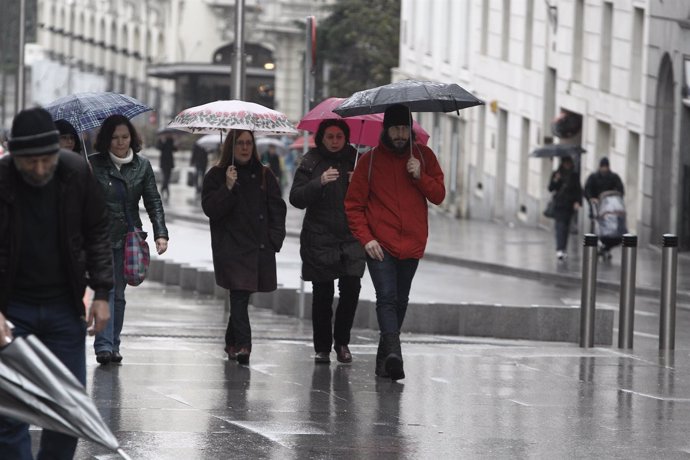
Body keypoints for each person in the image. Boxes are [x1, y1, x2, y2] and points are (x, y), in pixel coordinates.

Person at [0, 107, 113, 458]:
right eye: (28, 162)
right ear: (13, 154)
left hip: (64, 307)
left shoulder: (76, 172)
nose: (38, 169)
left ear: (57, 152)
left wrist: (102, 293)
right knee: (9, 415)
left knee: (67, 411)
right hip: (12, 308)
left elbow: (97, 232)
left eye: (45, 161)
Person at [344, 104, 445, 381]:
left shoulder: (424, 157)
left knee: (400, 300)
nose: (400, 135)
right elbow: (353, 206)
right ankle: (395, 355)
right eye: (395, 129)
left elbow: (438, 195)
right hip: (380, 244)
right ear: (385, 130)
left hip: (411, 243)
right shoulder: (370, 161)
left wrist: (420, 176)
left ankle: (385, 358)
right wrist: (366, 239)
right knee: (386, 298)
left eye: (404, 129)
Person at [89, 114, 169, 365]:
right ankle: (103, 345)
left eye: (124, 137)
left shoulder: (142, 166)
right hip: (101, 236)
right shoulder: (93, 164)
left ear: (132, 138)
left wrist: (161, 233)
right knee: (108, 290)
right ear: (106, 140)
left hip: (128, 237)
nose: (120, 143)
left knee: (120, 295)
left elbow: (153, 200)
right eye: (114, 138)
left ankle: (113, 343)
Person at [202, 129, 286, 365]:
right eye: (240, 143)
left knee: (241, 296)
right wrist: (227, 187)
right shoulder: (217, 175)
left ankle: (231, 342)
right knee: (239, 295)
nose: (245, 148)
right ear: (231, 146)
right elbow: (211, 210)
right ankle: (244, 345)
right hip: (230, 247)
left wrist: (274, 240)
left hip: (258, 246)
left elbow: (277, 209)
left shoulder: (264, 174)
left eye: (249, 143)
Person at [289, 119, 366, 364]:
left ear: (346, 138)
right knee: (323, 293)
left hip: (351, 236)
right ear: (321, 138)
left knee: (351, 289)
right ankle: (322, 347)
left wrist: (360, 184)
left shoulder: (357, 161)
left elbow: (372, 199)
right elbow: (296, 198)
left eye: (339, 137)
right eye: (330, 137)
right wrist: (319, 182)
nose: (334, 142)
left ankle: (342, 342)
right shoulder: (311, 161)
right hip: (319, 237)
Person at [548, 155, 583, 260]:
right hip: (559, 204)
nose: (567, 165)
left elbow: (579, 190)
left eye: (569, 163)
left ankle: (563, 249)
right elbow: (550, 188)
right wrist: (555, 180)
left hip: (569, 205)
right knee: (560, 227)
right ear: (562, 163)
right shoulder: (556, 174)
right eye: (566, 163)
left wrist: (578, 202)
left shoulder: (574, 175)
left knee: (566, 228)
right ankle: (559, 249)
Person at [156, 133, 176, 202]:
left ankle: (163, 188)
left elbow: (174, 149)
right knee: (165, 177)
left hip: (170, 162)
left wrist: (177, 143)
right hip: (163, 162)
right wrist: (162, 141)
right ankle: (166, 190)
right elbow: (159, 147)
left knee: (168, 177)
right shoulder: (161, 140)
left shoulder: (171, 140)